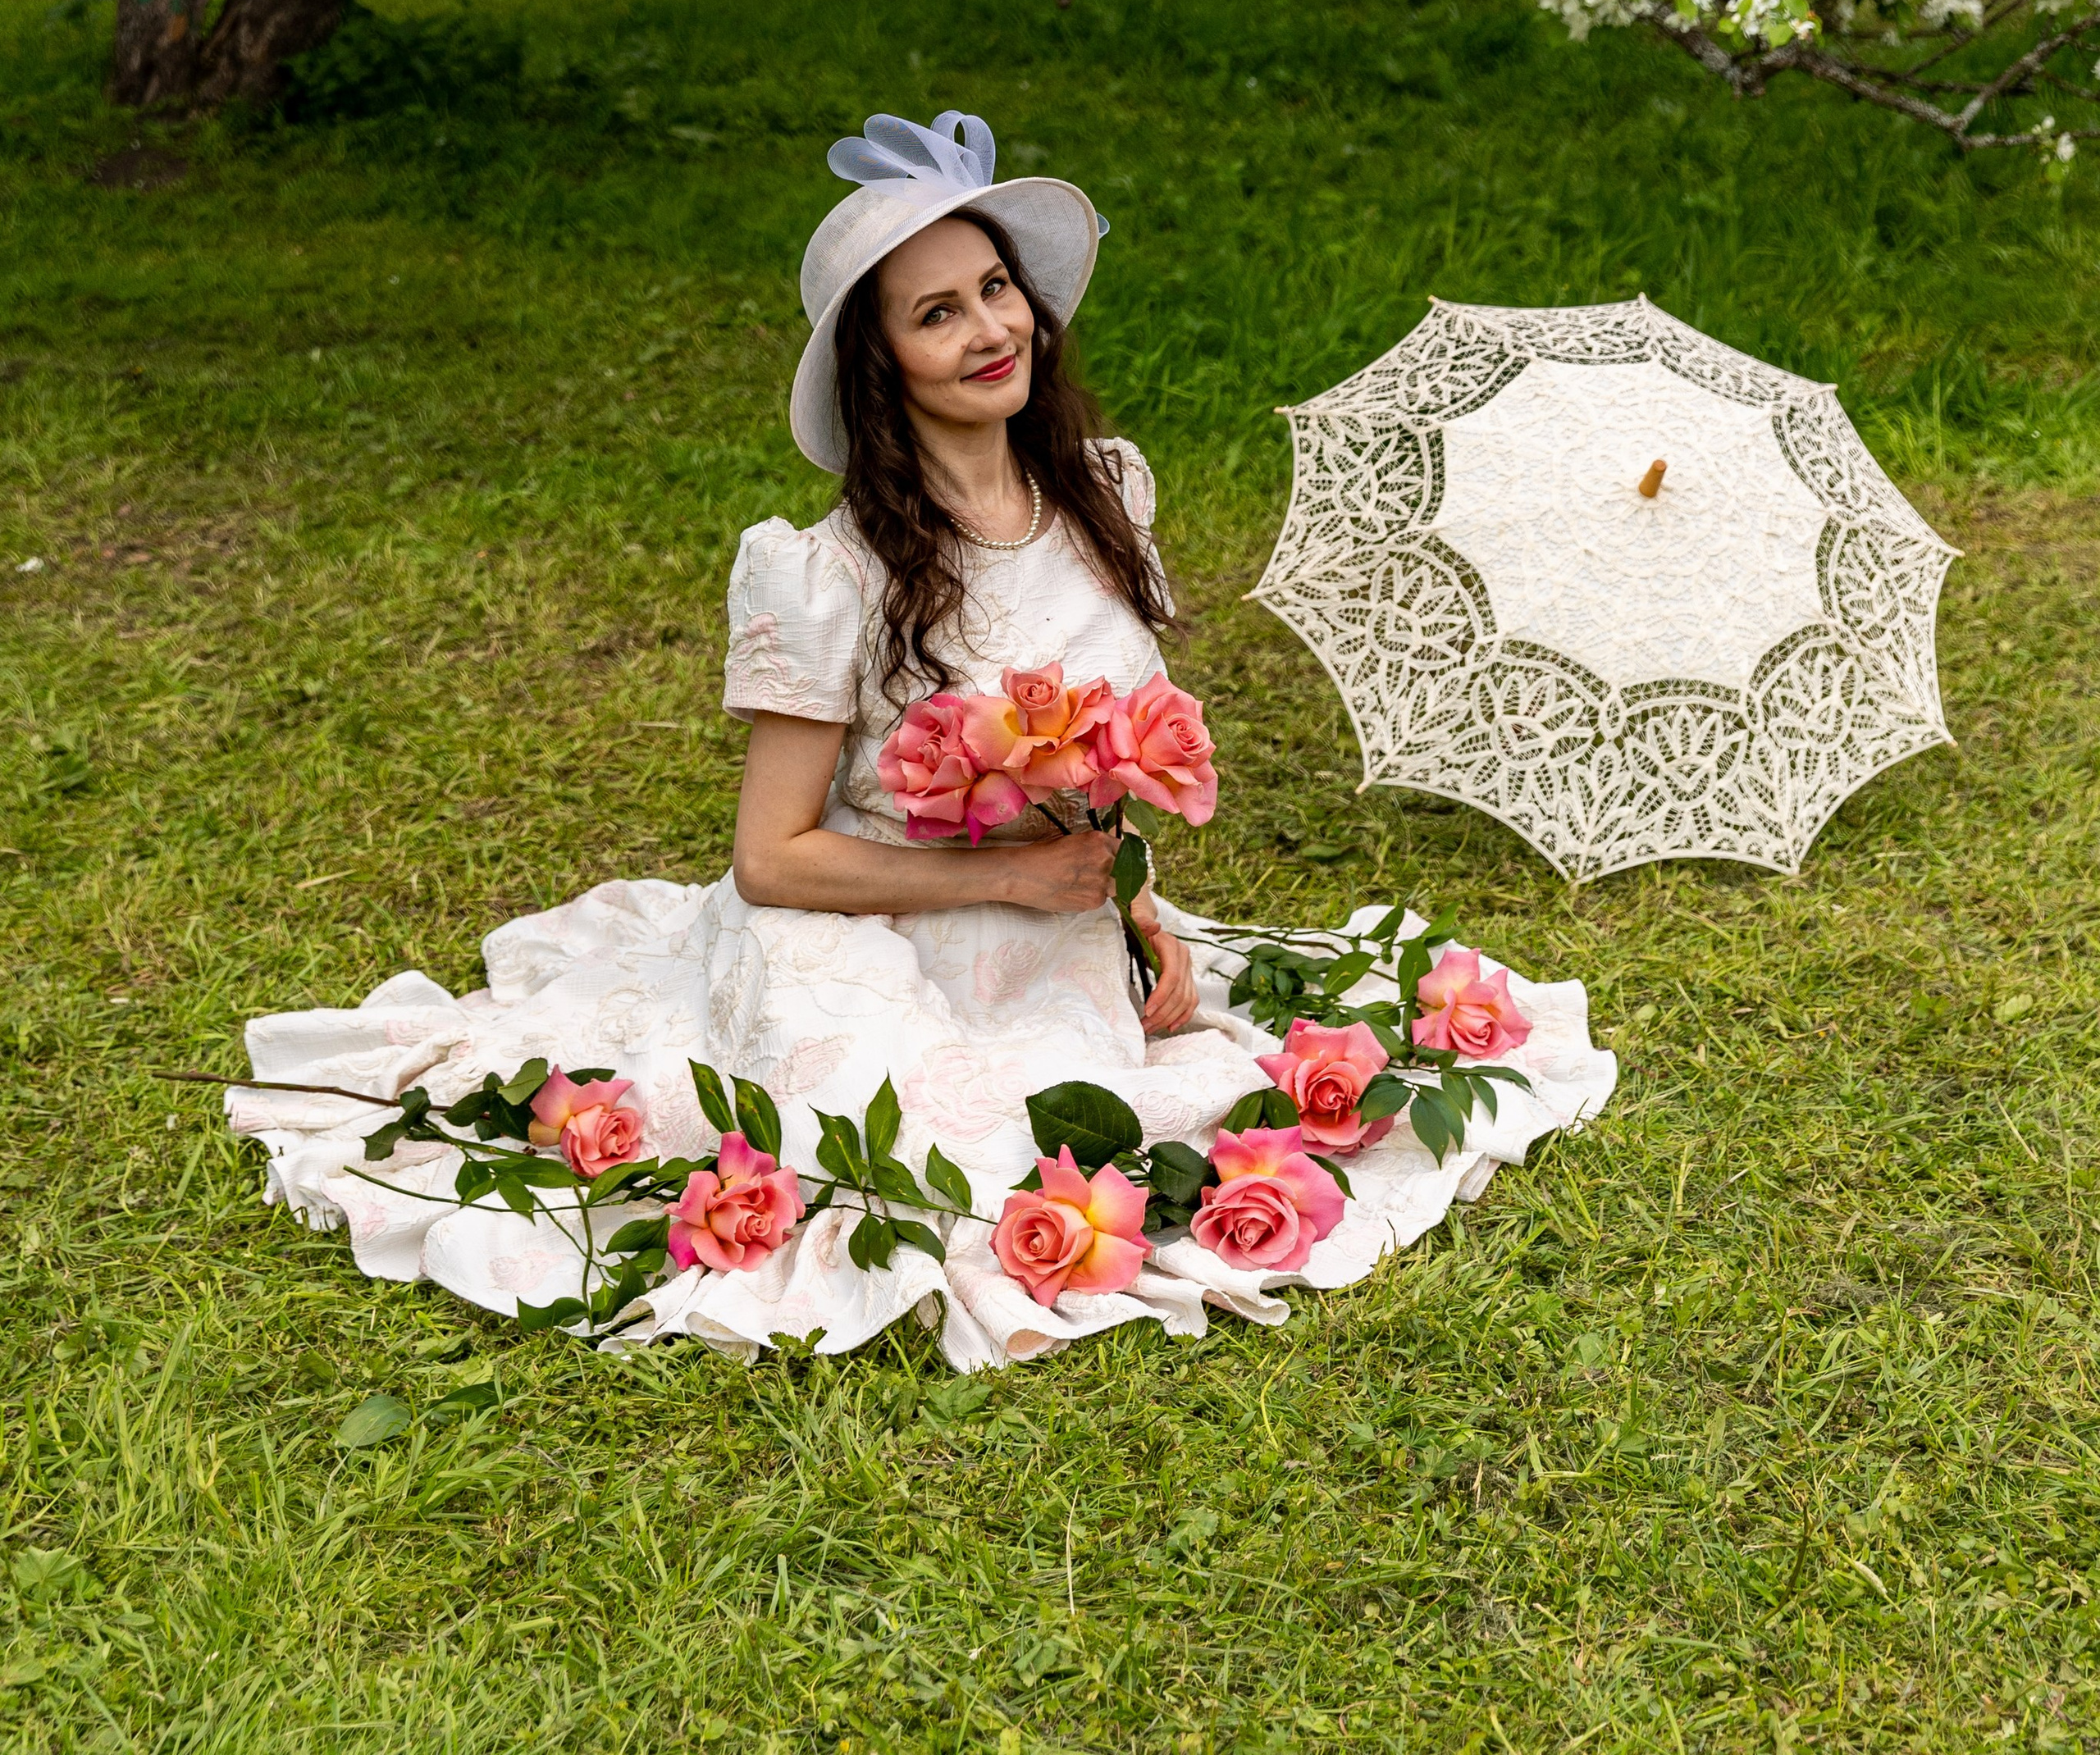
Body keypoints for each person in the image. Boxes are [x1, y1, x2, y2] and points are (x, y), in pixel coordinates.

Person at [229, 110, 1614, 1370]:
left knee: (1101, 1124)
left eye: (996, 291)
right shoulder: (821, 572)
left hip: (1053, 922)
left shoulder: (1106, 493)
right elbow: (772, 859)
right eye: (935, 314)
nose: (986, 331)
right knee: (953, 1155)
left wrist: (1138, 913)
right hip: (865, 917)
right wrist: (1003, 880)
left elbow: (1109, 783)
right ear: (879, 362)